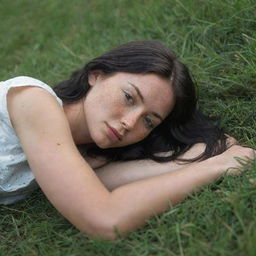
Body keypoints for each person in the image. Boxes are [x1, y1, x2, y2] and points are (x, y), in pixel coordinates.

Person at [0, 40, 254, 239]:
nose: (129, 123)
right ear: (96, 75)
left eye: (148, 121)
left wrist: (214, 153)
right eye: (129, 97)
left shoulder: (84, 155)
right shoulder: (34, 102)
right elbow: (105, 219)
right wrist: (217, 166)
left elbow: (120, 181)